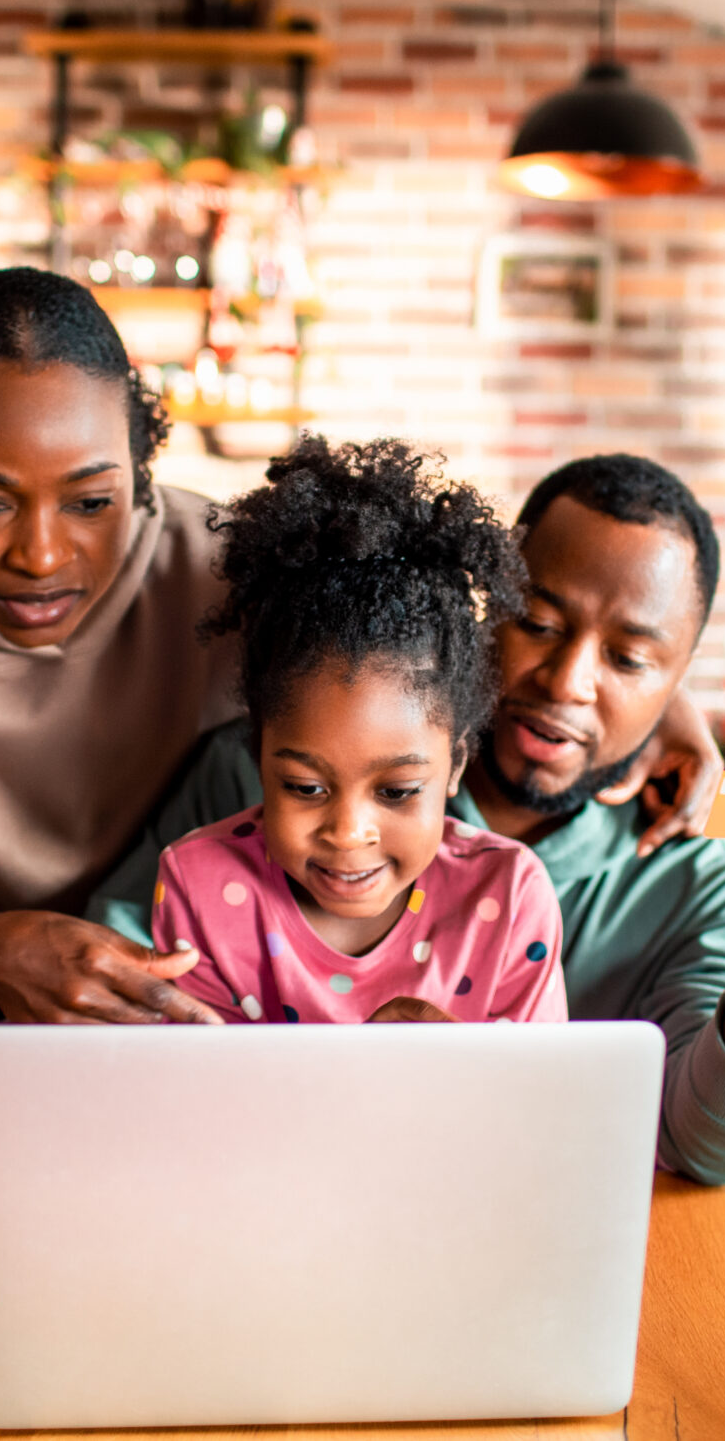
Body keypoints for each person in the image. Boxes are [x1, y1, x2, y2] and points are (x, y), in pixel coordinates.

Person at [0, 270, 718, 1159]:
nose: (42, 555)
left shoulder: (221, 572)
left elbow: (414, 640)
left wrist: (653, 703)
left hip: (212, 1024)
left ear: (142, 459)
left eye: (92, 499)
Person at [93, 454, 725, 1183]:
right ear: (487, 611)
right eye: (540, 624)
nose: (568, 680)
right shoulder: (257, 773)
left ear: (681, 677)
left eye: (629, 659)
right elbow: (115, 1014)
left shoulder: (715, 868)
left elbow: (716, 1146)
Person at [150, 436, 566, 1025]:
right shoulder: (200, 885)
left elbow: (543, 1105)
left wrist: (461, 1074)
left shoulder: (508, 895)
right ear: (258, 751)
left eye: (396, 792)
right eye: (304, 786)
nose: (348, 834)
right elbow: (203, 1100)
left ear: (455, 765)